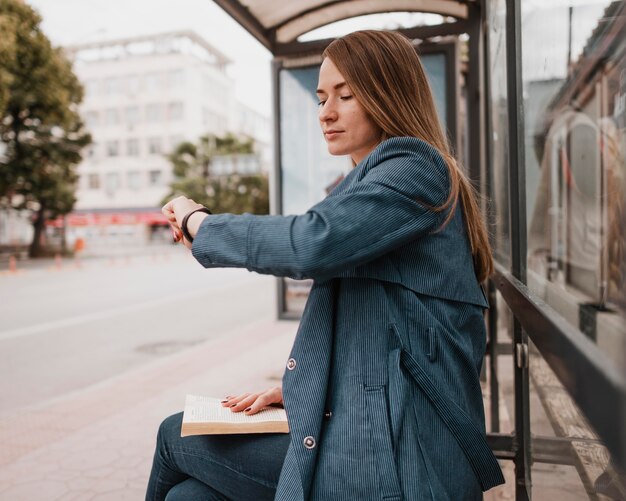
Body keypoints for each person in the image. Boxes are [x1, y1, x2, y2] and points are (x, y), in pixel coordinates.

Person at [147, 29, 505, 500]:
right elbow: (375, 324)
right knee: (188, 497)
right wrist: (298, 392)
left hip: (398, 453)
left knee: (176, 436)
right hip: (368, 425)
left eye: (346, 95)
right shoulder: (369, 183)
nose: (326, 113)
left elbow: (310, 242)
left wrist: (199, 222)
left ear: (388, 94)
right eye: (320, 98)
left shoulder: (414, 167)